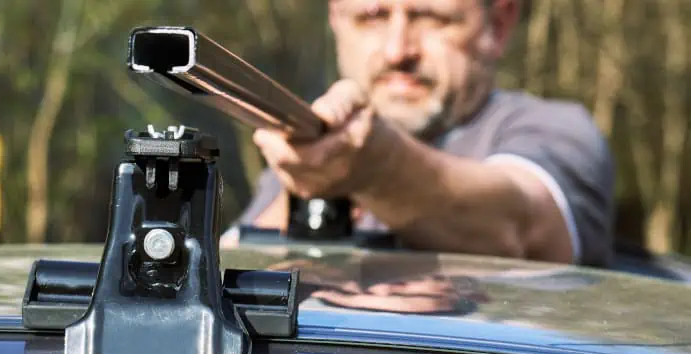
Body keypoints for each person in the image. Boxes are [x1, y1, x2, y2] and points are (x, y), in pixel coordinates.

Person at [228, 0, 615, 268]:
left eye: (431, 16)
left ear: (498, 24)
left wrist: (379, 168)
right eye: (371, 16)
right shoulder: (313, 154)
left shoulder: (557, 130)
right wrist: (306, 185)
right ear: (335, 20)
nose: (398, 51)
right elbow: (230, 267)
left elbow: (519, 228)